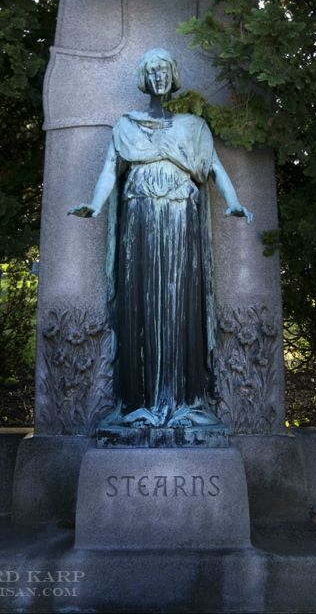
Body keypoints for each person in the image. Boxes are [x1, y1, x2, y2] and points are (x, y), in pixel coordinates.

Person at [68, 48, 252, 428]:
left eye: (164, 69)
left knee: (180, 299)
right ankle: (140, 401)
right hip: (139, 219)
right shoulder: (126, 125)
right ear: (144, 78)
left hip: (181, 217)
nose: (159, 77)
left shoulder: (193, 127)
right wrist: (95, 205)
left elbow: (214, 168)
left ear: (173, 75)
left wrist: (234, 202)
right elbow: (108, 169)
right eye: (152, 71)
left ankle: (184, 399)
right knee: (142, 301)